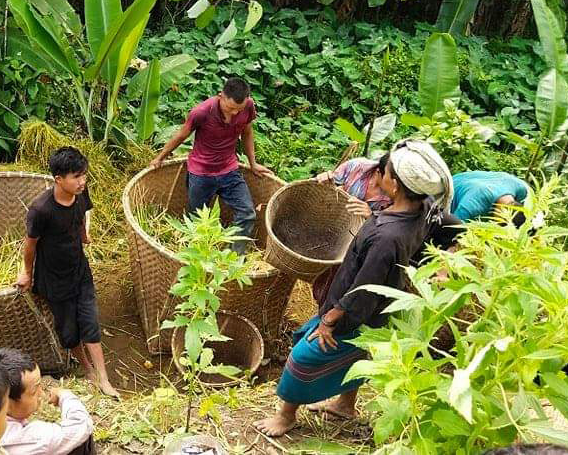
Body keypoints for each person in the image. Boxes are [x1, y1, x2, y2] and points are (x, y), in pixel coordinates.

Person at [254, 140, 458, 437]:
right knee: (358, 356)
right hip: (381, 309)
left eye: (385, 172)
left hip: (358, 311)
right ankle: (344, 405)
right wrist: (446, 259)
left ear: (397, 185)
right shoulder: (424, 209)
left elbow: (363, 289)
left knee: (304, 356)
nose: (380, 174)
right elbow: (456, 228)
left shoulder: (387, 237)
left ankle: (285, 416)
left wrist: (329, 320)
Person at [16, 147, 118, 398]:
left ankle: (103, 378)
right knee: (69, 332)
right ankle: (87, 370)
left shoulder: (81, 194)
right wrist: (26, 273)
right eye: (76, 176)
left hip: (79, 271)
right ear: (58, 179)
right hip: (53, 278)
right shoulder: (41, 210)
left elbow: (81, 216)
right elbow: (30, 245)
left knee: (90, 324)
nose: (82, 181)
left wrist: (84, 236)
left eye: (84, 175)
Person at [149, 77, 273, 254]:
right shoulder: (202, 112)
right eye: (230, 108)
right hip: (201, 173)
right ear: (220, 96)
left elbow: (247, 132)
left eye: (239, 110)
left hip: (229, 170)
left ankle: (232, 258)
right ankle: (197, 257)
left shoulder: (248, 106)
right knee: (197, 222)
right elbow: (181, 136)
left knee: (247, 214)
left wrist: (252, 163)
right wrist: (160, 157)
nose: (234, 114)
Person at [311, 154, 394, 305]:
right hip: (330, 227)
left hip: (355, 245)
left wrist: (371, 215)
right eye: (391, 178)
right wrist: (325, 179)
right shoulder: (357, 167)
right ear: (378, 172)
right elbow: (330, 184)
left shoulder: (395, 196)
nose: (395, 185)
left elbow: (390, 226)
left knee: (335, 287)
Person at [0, 348, 95, 455]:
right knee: (81, 441)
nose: (42, 394)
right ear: (7, 403)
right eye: (34, 390)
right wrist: (65, 396)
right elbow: (81, 426)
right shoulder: (35, 437)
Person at [451, 171, 529, 224]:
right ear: (502, 214)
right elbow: (452, 230)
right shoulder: (471, 205)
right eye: (499, 223)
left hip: (473, 180)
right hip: (448, 189)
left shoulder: (522, 189)